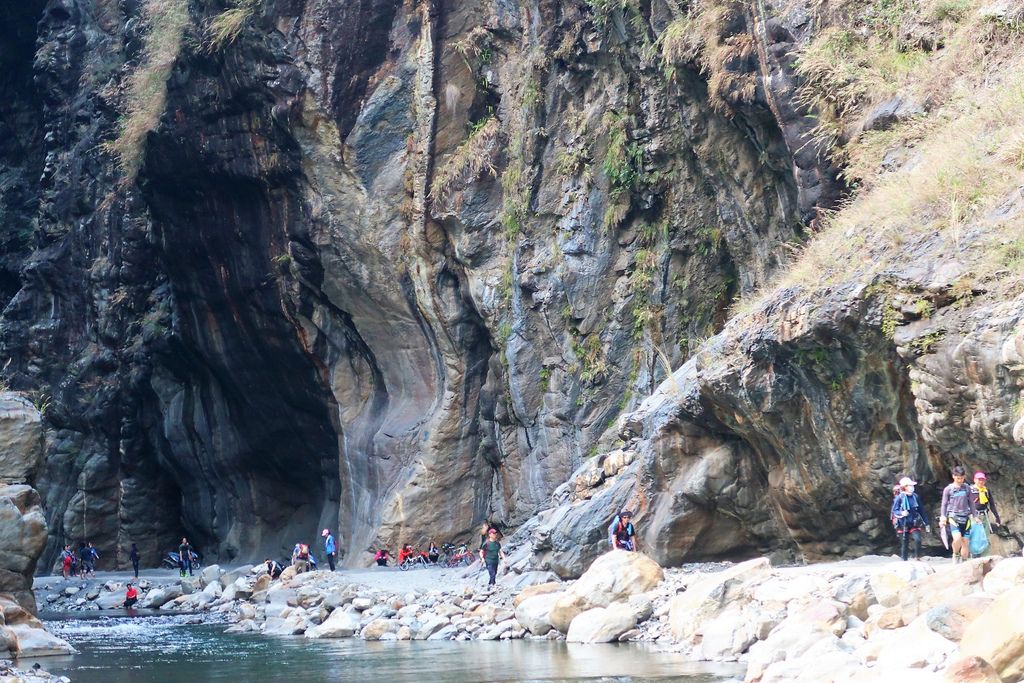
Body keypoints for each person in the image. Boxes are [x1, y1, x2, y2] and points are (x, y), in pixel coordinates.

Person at [940, 465, 979, 563]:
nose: (960, 480)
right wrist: (943, 517)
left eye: (962, 478)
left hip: (966, 517)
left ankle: (964, 561)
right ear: (953, 476)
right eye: (958, 478)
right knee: (957, 538)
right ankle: (955, 553)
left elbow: (971, 503)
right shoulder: (948, 489)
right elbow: (944, 504)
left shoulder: (967, 488)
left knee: (965, 541)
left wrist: (975, 516)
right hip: (954, 517)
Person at [891, 477, 930, 561]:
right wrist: (902, 513)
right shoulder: (899, 498)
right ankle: (904, 560)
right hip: (902, 523)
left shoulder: (915, 497)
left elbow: (921, 510)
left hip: (914, 523)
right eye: (910, 485)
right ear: (905, 486)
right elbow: (895, 510)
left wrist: (926, 523)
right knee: (905, 543)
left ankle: (917, 557)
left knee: (918, 539)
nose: (912, 487)